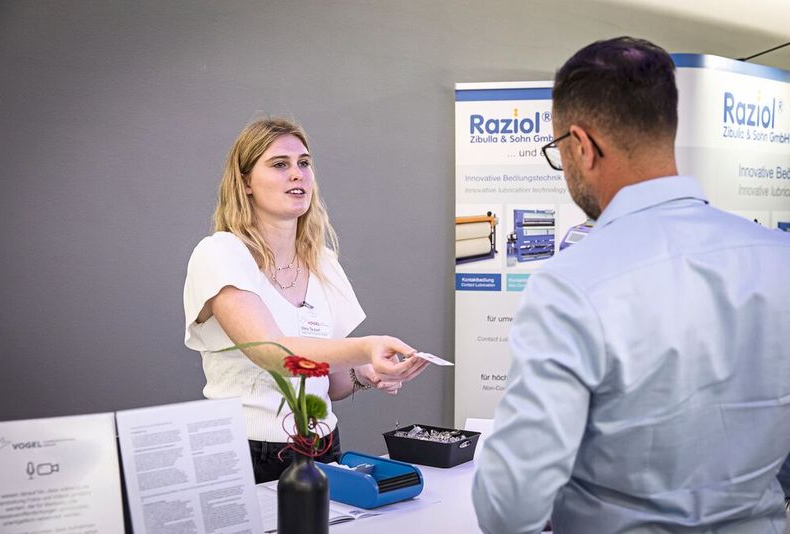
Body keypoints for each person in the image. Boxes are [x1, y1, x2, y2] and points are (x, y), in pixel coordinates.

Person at [472, 36, 790, 533]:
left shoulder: (571, 283)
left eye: (559, 151)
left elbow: (510, 506)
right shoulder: (779, 258)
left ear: (583, 146)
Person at [183, 117, 429, 483]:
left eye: (304, 163)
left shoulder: (323, 262)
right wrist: (367, 347)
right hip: (248, 454)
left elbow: (331, 382)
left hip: (323, 448)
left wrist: (368, 372)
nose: (297, 173)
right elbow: (272, 353)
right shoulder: (220, 253)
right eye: (280, 164)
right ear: (245, 182)